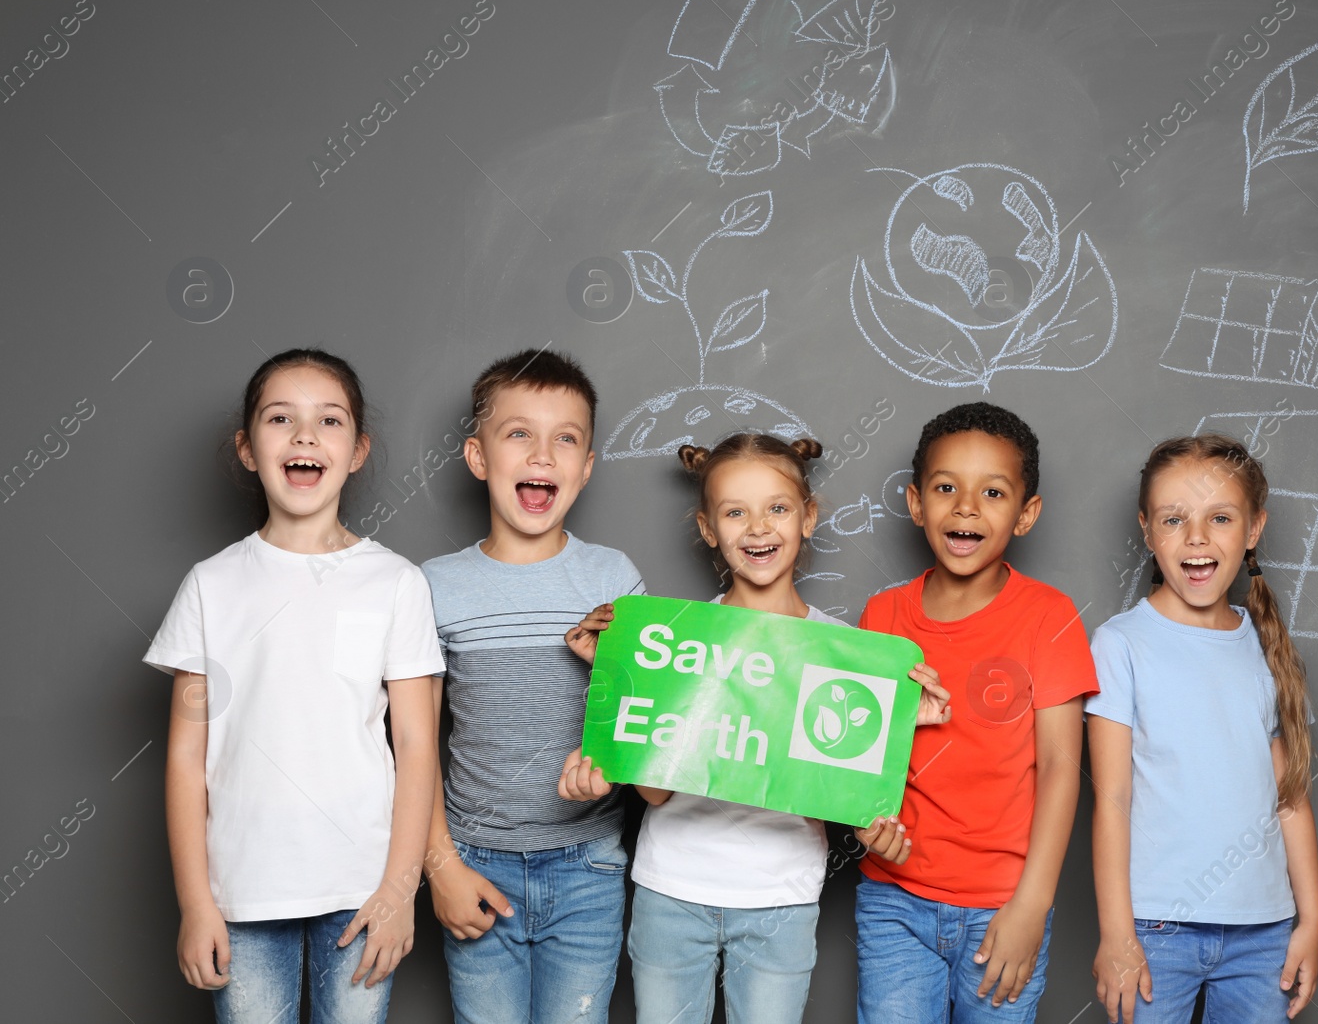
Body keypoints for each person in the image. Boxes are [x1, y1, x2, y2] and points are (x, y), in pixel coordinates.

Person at [558, 432, 951, 1024]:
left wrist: (899, 720)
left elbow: (839, 792)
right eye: (735, 512)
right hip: (673, 890)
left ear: (808, 517)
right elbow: (657, 791)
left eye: (778, 508)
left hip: (781, 900)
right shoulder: (678, 641)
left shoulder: (844, 656)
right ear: (708, 528)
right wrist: (623, 674)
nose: (758, 527)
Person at [149, 348, 440, 1023]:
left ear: (358, 449)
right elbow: (185, 757)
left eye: (328, 420)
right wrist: (196, 903)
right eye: (281, 418)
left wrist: (401, 890)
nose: (305, 435)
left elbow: (418, 748)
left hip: (362, 891)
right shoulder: (210, 586)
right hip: (242, 895)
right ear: (248, 448)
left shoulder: (396, 583)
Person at [854, 401, 1099, 1023]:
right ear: (916, 504)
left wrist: (1031, 907)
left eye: (993, 491)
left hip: (1004, 907)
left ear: (1026, 513)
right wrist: (861, 824)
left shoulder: (1049, 617)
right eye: (945, 488)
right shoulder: (881, 617)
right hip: (894, 902)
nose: (966, 507)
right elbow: (855, 753)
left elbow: (1062, 768)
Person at [420, 348, 644, 1023]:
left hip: (589, 868)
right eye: (519, 432)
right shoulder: (433, 585)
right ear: (478, 456)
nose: (542, 453)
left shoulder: (615, 579)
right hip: (473, 863)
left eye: (565, 438)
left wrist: (613, 767)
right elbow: (413, 744)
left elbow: (651, 723)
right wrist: (441, 867)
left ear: (586, 467)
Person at [1087, 433, 1318, 1023]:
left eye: (1219, 517)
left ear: (1253, 529)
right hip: (1154, 930)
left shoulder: (1266, 645)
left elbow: (1289, 798)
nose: (1196, 538)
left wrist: (1313, 917)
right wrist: (1117, 935)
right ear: (1147, 529)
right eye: (1174, 519)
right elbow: (1112, 800)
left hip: (1262, 933)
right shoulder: (1121, 644)